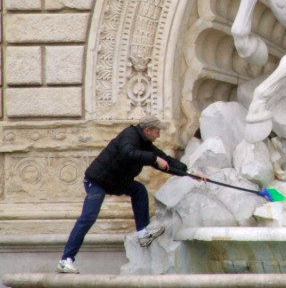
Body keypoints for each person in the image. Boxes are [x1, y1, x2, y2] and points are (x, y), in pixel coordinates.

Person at [56, 115, 204, 274]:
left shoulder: (145, 143)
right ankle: (66, 260)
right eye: (157, 131)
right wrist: (154, 158)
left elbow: (165, 161)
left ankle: (142, 233)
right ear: (147, 130)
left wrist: (188, 172)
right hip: (97, 182)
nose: (159, 135)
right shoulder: (129, 136)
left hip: (116, 181)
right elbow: (129, 153)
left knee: (139, 190)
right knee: (88, 218)